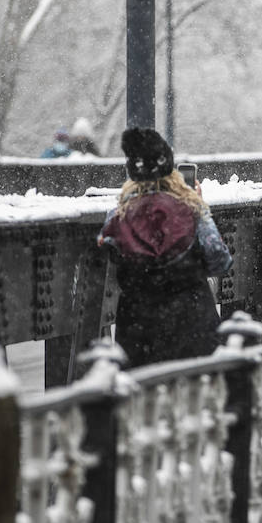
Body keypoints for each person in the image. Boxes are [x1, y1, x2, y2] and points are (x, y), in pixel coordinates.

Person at [98, 127, 233, 365]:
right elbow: (219, 259)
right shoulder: (192, 209)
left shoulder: (118, 216)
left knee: (146, 398)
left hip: (138, 332)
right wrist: (197, 202)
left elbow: (107, 254)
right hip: (193, 326)